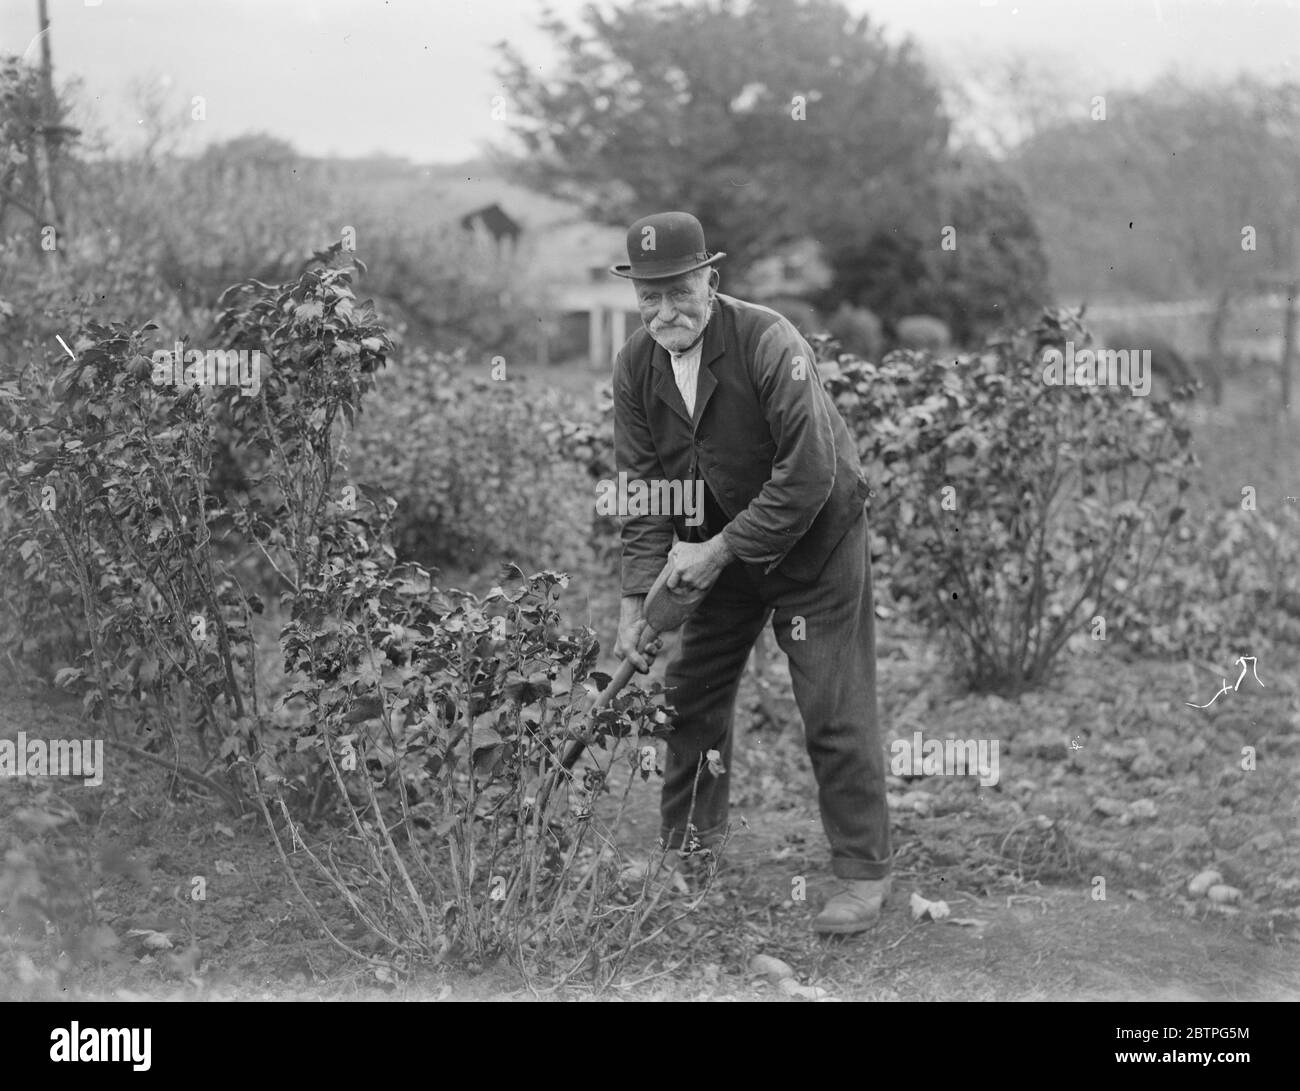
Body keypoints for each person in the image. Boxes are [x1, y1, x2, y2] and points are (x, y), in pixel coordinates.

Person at [609, 211, 892, 933]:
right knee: (689, 697)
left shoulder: (769, 341)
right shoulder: (637, 364)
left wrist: (717, 550)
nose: (665, 311)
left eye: (680, 290)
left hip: (816, 545)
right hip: (719, 551)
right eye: (650, 297)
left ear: (711, 277)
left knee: (832, 707)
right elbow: (644, 487)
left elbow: (808, 473)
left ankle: (862, 874)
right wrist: (635, 600)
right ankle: (687, 854)